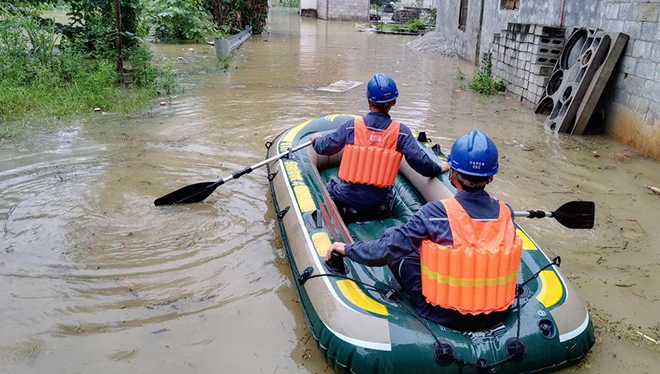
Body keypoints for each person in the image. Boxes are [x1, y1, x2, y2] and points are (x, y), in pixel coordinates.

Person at [324, 130, 523, 330]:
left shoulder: (435, 212)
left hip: (444, 312)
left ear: (452, 172)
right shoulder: (507, 212)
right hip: (496, 310)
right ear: (491, 177)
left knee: (394, 237)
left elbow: (386, 250)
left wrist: (347, 249)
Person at [312, 73, 448, 212]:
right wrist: (438, 168)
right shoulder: (401, 132)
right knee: (387, 191)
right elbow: (421, 162)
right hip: (380, 200)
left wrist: (316, 139)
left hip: (347, 196)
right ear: (394, 102)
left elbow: (324, 148)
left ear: (368, 101)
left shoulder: (352, 126)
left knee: (329, 186)